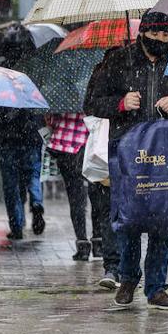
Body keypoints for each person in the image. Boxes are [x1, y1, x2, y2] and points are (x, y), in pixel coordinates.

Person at [84, 10, 168, 310]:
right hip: (128, 152)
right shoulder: (117, 61)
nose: (163, 40)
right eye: (157, 35)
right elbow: (91, 102)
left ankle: (156, 287)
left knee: (163, 221)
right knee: (129, 219)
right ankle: (128, 277)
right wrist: (120, 103)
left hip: (167, 153)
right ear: (143, 34)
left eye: (167, 35)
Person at [46, 111, 105, 262]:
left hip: (67, 146)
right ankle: (98, 242)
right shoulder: (93, 93)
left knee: (76, 199)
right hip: (92, 145)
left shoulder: (62, 94)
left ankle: (82, 245)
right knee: (97, 194)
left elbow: (52, 122)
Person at [0, 106, 45, 241]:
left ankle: (17, 226)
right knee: (33, 175)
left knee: (11, 186)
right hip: (31, 138)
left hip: (7, 140)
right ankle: (37, 201)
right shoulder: (31, 92)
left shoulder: (2, 93)